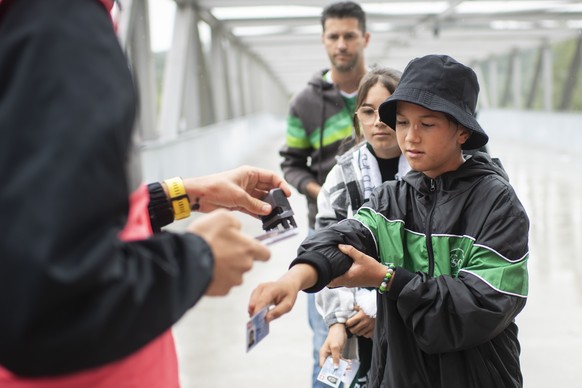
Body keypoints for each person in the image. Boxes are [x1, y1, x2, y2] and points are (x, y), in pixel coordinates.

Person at [0, 0, 290, 387]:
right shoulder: (61, 25)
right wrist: (198, 260)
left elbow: (48, 215)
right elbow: (44, 303)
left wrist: (182, 195)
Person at [250, 54, 529, 388]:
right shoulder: (392, 198)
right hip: (397, 375)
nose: (410, 137)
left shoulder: (496, 203)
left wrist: (388, 280)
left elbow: (479, 307)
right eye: (402, 123)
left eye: (426, 124)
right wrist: (294, 279)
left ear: (462, 132)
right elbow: (342, 239)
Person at [278, 2, 370, 385]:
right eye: (333, 36)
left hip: (383, 231)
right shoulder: (304, 104)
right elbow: (292, 164)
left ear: (365, 38)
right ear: (323, 40)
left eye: (350, 35)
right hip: (328, 229)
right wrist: (325, 192)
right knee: (330, 335)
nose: (341, 44)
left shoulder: (383, 92)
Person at [314, 67, 409, 387]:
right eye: (368, 111)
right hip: (355, 316)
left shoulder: (430, 172)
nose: (378, 121)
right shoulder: (340, 177)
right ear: (358, 117)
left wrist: (385, 306)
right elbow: (325, 247)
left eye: (388, 110)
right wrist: (337, 322)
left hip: (414, 310)